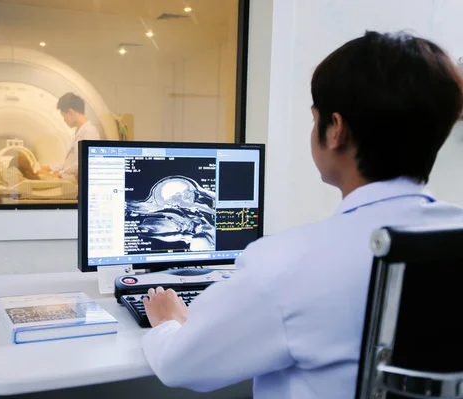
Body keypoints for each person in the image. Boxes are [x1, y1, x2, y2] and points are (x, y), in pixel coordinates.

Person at [140, 31, 463, 398]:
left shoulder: (285, 265)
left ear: (336, 130)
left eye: (315, 120)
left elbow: (182, 366)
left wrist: (169, 323)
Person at [40, 93, 101, 180]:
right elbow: (69, 163)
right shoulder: (78, 132)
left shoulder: (90, 132)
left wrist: (58, 174)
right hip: (70, 179)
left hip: (78, 183)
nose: (64, 120)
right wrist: (49, 167)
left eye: (64, 117)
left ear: (71, 112)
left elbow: (83, 163)